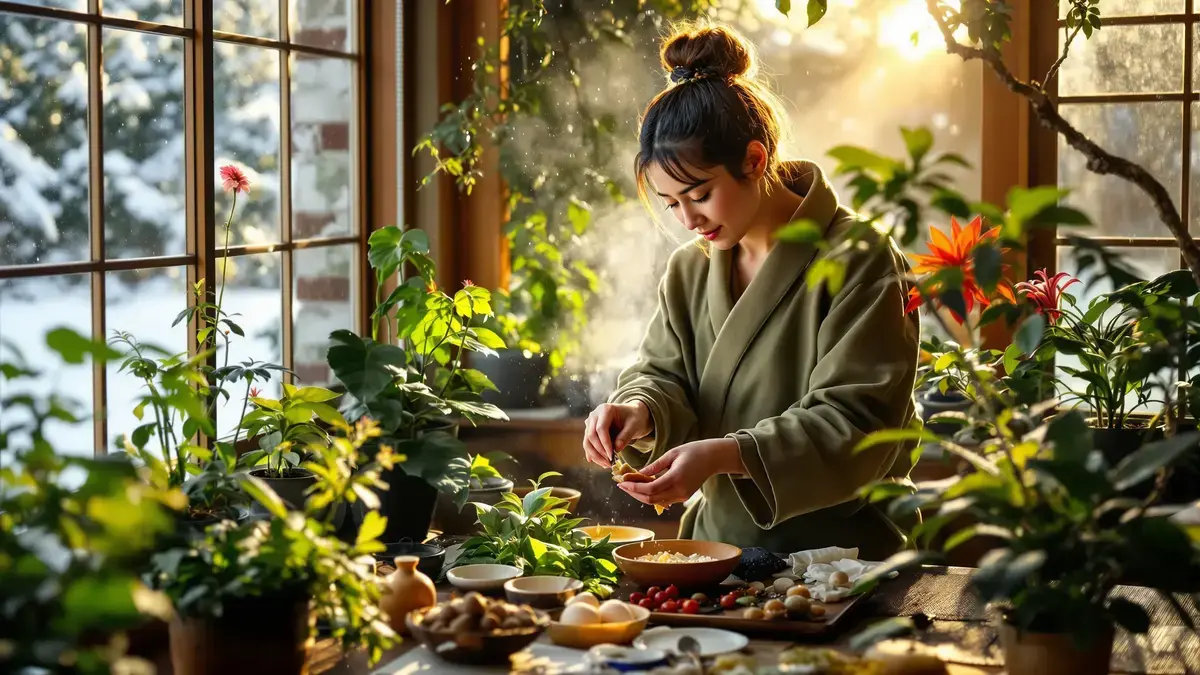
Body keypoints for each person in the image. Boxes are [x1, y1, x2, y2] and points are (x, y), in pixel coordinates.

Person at [581, 23, 921, 561]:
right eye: (672, 204)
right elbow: (662, 373)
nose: (688, 219)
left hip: (843, 561)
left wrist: (726, 454)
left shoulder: (861, 257)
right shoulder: (690, 271)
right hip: (715, 552)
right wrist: (639, 410)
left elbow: (858, 420)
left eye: (700, 194)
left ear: (755, 161)